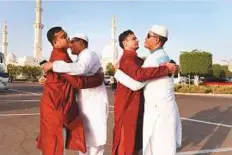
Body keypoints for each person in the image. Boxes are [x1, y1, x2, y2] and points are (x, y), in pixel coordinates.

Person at [114, 25, 182, 155]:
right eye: (134, 38)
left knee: (160, 148)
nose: (142, 39)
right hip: (161, 109)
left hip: (159, 112)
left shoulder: (154, 59)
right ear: (125, 43)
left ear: (156, 40)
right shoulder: (160, 56)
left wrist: (117, 73)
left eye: (148, 36)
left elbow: (137, 84)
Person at [37, 27, 103, 155]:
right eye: (63, 37)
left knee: (53, 141)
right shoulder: (59, 57)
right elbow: (77, 82)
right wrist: (99, 78)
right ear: (55, 43)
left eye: (67, 35)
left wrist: (47, 76)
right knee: (54, 144)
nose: (68, 39)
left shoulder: (63, 56)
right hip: (55, 107)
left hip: (60, 105)